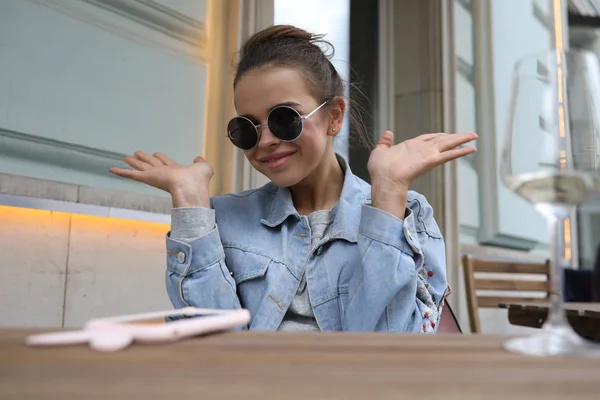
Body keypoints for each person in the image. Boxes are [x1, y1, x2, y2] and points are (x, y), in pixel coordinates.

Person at [109, 25, 477, 332]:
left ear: (334, 116)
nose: (266, 140)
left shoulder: (408, 212)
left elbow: (385, 350)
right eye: (247, 128)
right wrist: (189, 200)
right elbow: (210, 345)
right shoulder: (222, 218)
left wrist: (389, 194)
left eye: (285, 118)